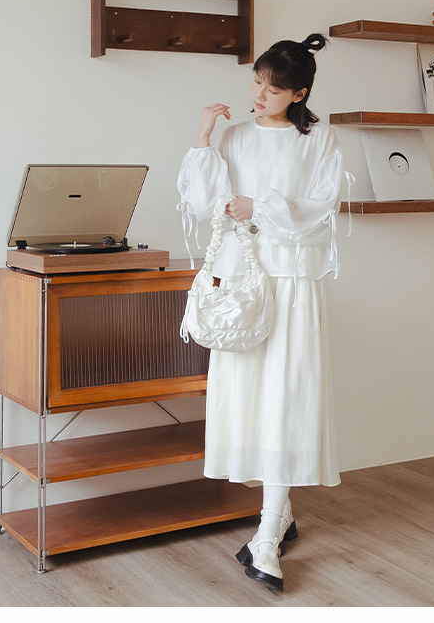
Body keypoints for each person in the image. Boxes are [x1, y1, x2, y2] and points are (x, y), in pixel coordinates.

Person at [176, 33, 347, 592]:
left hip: (294, 280)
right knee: (252, 396)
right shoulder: (234, 136)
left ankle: (267, 535)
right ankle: (280, 513)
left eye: (272, 88)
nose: (259, 94)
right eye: (256, 81)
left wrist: (261, 206)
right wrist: (204, 138)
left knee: (288, 395)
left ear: (299, 94)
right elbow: (203, 205)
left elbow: (320, 210)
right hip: (244, 282)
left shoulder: (321, 140)